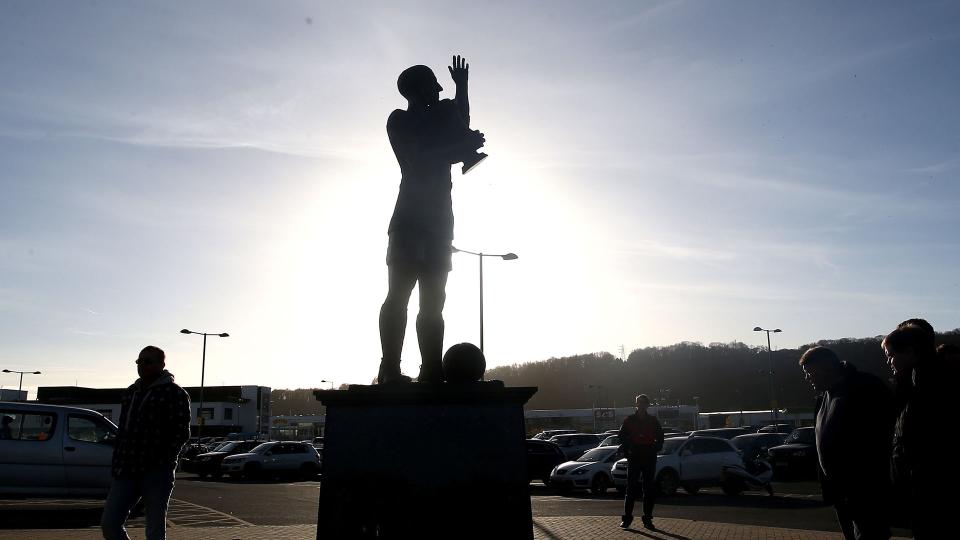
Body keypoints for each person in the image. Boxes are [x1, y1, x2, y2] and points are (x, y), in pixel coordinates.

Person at [377, 54, 485, 384]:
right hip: (410, 218)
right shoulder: (400, 121)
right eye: (432, 89)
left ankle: (432, 370)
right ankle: (390, 368)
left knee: (434, 301)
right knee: (399, 295)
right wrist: (461, 148)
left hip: (440, 221)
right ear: (416, 92)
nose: (438, 94)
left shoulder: (438, 120)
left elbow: (460, 121)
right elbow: (420, 157)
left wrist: (462, 88)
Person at [799, 346, 895, 539]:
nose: (807, 378)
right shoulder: (823, 398)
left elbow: (884, 433)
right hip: (840, 492)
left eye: (810, 373)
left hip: (866, 490)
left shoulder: (864, 387)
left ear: (826, 368)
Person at [101, 346, 191, 540]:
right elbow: (123, 430)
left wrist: (163, 459)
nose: (142, 365)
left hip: (156, 471)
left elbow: (181, 432)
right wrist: (118, 461)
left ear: (161, 365)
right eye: (139, 361)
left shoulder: (175, 393)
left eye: (148, 361)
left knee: (154, 528)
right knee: (109, 524)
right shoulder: (130, 393)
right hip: (126, 469)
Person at [883, 324, 949, 539]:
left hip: (929, 495)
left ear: (910, 352)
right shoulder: (917, 384)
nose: (889, 362)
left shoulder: (930, 388)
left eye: (891, 355)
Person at [617, 394, 664, 530]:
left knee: (648, 489)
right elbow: (621, 436)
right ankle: (627, 519)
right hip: (634, 456)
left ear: (647, 405)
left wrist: (655, 447)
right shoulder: (629, 420)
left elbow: (660, 437)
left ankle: (647, 519)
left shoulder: (653, 421)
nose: (641, 404)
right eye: (639, 402)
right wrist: (629, 448)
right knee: (631, 488)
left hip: (649, 456)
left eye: (643, 402)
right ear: (636, 404)